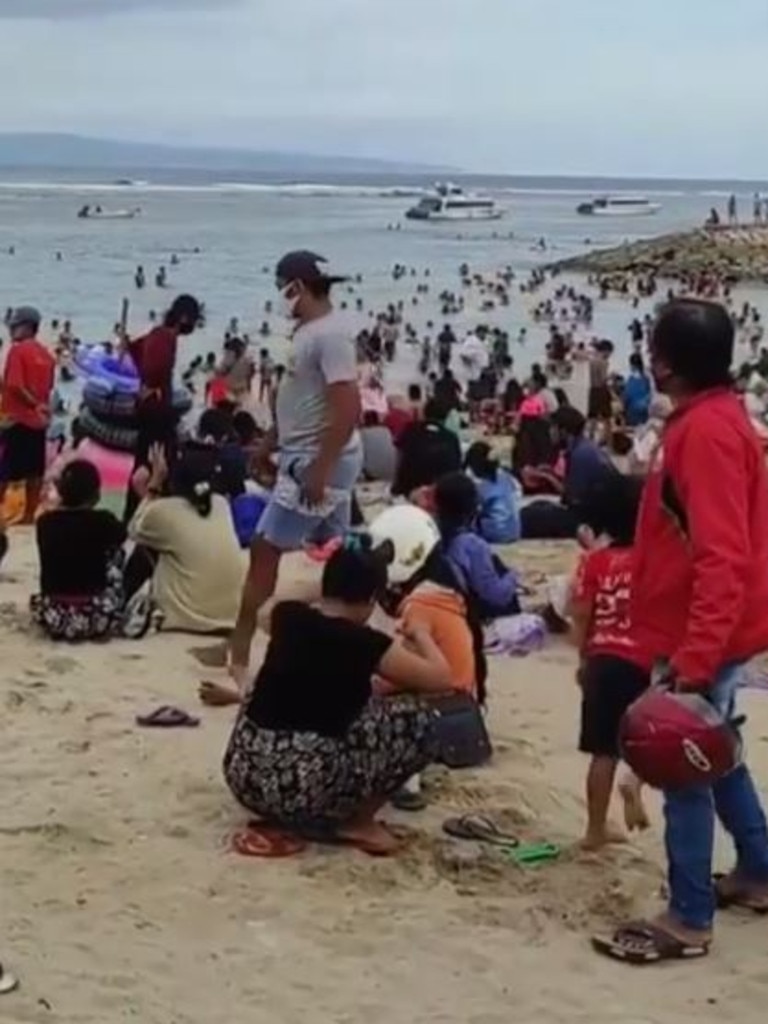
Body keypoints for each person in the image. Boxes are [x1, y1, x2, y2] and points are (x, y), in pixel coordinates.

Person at [593, 299, 768, 965]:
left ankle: (690, 915)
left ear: (663, 362)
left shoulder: (708, 435)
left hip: (708, 632)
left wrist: (695, 660)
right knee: (719, 750)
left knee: (684, 761)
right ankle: (757, 869)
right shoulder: (711, 420)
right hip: (711, 624)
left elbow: (722, 555)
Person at [222, 538, 450, 855]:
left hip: (246, 778)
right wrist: (422, 634)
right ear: (371, 598)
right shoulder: (365, 643)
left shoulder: (287, 617)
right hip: (300, 790)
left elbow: (275, 604)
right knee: (421, 718)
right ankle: (359, 823)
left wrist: (334, 578)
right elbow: (441, 679)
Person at [198, 251, 362, 681]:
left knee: (265, 548)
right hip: (306, 452)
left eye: (282, 288)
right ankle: (354, 641)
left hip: (319, 458)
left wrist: (321, 469)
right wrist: (269, 443)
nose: (280, 296)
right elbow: (300, 398)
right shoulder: (309, 331)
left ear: (298, 286)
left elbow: (347, 407)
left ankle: (239, 649)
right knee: (340, 552)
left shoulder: (329, 337)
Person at [568, 474, 649, 850]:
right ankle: (636, 780)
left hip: (603, 658)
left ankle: (595, 828)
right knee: (650, 737)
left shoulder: (595, 562)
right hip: (644, 659)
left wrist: (583, 659)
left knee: (603, 750)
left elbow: (581, 615)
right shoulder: (655, 561)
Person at [126, 445, 245, 634]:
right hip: (230, 615)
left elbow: (134, 530)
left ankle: (124, 602)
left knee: (144, 549)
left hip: (186, 618)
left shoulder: (164, 511)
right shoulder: (221, 504)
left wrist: (154, 483)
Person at [123, 294, 202, 521]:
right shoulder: (166, 337)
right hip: (157, 409)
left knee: (144, 459)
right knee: (159, 460)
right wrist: (153, 384)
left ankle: (136, 511)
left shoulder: (156, 334)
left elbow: (136, 349)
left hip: (149, 407)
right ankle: (153, 511)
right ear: (185, 317)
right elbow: (154, 366)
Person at [31, 460, 127, 641]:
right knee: (117, 553)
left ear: (61, 491)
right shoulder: (103, 521)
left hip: (55, 614)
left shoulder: (45, 523)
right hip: (95, 614)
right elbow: (125, 535)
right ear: (96, 494)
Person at [434, 472, 521, 621]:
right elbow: (496, 595)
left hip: (443, 608)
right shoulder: (472, 545)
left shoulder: (432, 534)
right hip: (474, 613)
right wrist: (512, 577)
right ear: (473, 505)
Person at [0, 306, 56, 524]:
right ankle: (29, 515)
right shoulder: (46, 355)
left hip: (17, 419)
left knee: (5, 470)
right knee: (34, 470)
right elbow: (48, 388)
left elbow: (15, 386)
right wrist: (41, 408)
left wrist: (33, 406)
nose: (12, 330)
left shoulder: (18, 351)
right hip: (38, 423)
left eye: (15, 326)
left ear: (26, 327)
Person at [391, 397, 461, 498]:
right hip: (442, 493)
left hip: (409, 489)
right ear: (446, 417)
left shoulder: (410, 430)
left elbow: (399, 457)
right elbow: (457, 468)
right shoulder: (451, 437)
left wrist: (396, 485)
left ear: (424, 413)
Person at [464, 441, 522, 544]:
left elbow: (472, 508)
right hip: (515, 531)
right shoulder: (506, 477)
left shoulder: (481, 487)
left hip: (496, 533)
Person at [622, 353, 652, 427]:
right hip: (644, 411)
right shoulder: (646, 379)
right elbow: (649, 395)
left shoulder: (630, 380)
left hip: (632, 411)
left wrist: (623, 408)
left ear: (631, 364)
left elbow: (627, 396)